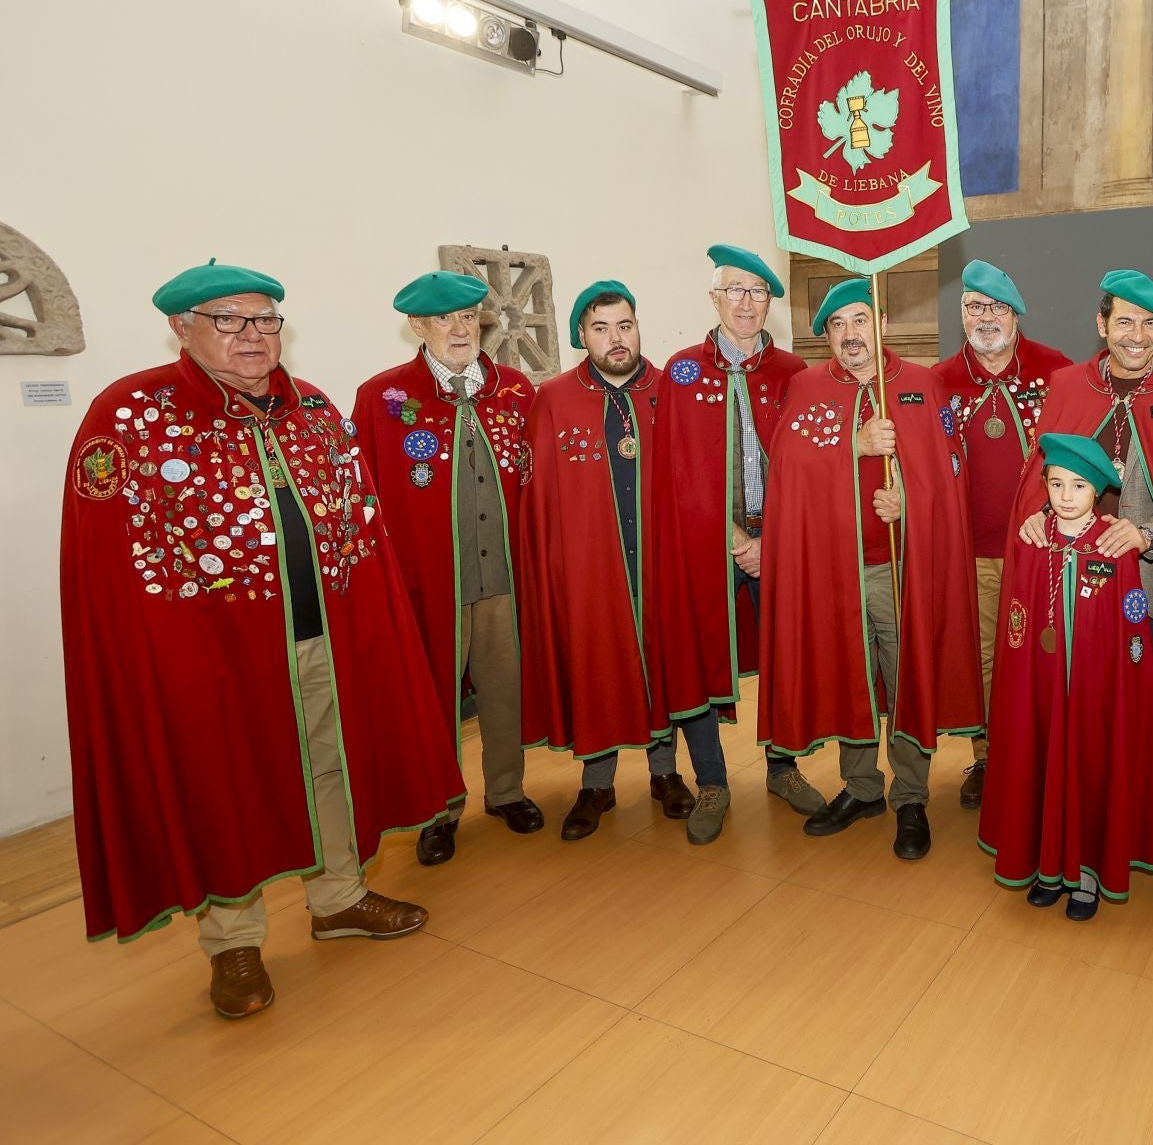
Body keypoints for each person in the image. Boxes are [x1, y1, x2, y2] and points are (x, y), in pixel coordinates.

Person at [61, 261, 460, 1019]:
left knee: (330, 763)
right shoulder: (131, 417)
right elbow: (112, 566)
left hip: (325, 635)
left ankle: (338, 898)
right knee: (225, 785)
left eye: (266, 320)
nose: (253, 335)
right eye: (230, 320)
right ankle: (234, 943)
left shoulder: (310, 409)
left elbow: (361, 527)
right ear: (182, 328)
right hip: (208, 657)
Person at [758, 278, 983, 860]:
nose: (850, 335)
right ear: (826, 336)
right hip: (832, 570)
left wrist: (908, 497)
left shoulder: (918, 384)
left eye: (860, 320)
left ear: (880, 323)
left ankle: (910, 796)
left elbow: (946, 477)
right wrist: (851, 447)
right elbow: (787, 471)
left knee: (907, 675)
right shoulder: (806, 388)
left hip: (898, 570)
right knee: (848, 676)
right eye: (837, 326)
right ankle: (861, 787)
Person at [352, 271, 543, 867]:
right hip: (430, 582)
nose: (461, 329)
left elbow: (535, 480)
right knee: (432, 697)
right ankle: (441, 808)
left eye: (469, 317)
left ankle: (507, 791)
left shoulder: (514, 389)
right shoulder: (381, 397)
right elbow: (366, 493)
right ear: (418, 326)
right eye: (445, 319)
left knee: (504, 690)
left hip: (505, 578)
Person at [518, 283, 707, 840]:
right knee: (595, 662)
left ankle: (665, 773)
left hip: (659, 559)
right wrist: (556, 569)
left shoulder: (668, 390)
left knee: (660, 661)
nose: (615, 338)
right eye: (600, 328)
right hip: (590, 565)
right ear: (583, 335)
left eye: (624, 325)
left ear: (638, 326)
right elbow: (541, 497)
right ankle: (596, 783)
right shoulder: (553, 398)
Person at [1014, 270, 1153, 796]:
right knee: (1076, 687)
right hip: (1072, 569)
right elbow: (1039, 476)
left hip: (1143, 578)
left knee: (1137, 687)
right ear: (1102, 325)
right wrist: (1035, 515)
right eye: (1124, 321)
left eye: (1150, 324)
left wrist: (1150, 536)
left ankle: (1144, 801)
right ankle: (1071, 793)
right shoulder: (1068, 385)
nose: (1137, 336)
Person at [653, 244, 823, 830]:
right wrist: (731, 536)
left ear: (770, 303)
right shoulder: (679, 371)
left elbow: (812, 464)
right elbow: (672, 468)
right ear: (714, 298)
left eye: (757, 292)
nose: (746, 302)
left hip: (782, 537)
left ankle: (783, 766)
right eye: (735, 290)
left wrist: (772, 536)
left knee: (785, 650)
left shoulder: (795, 375)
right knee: (699, 651)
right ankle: (713, 782)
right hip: (707, 541)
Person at [977, 433, 1153, 921]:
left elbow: (1131, 629)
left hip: (1094, 695)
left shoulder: (1112, 546)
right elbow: (1018, 625)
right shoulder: (1031, 542)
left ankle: (1086, 874)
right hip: (1042, 690)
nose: (1066, 496)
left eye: (1079, 487)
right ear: (1043, 484)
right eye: (1057, 483)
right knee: (1043, 759)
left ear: (1098, 493)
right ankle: (1048, 867)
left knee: (1088, 765)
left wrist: (1115, 692)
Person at [930, 258, 1073, 810]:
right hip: (972, 552)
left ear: (1016, 314)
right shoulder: (938, 382)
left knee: (1045, 651)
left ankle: (1046, 753)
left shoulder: (1057, 372)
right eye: (973, 307)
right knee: (985, 656)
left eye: (996, 308)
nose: (985, 317)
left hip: (1045, 548)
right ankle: (989, 756)